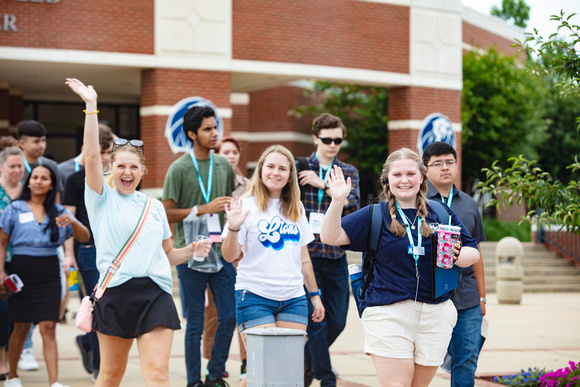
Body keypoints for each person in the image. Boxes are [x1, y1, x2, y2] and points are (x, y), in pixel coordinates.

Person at [66, 77, 212, 387]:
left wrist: (191, 252)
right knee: (110, 376)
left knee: (158, 374)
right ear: (111, 169)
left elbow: (168, 254)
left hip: (155, 295)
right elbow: (91, 155)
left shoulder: (155, 208)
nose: (127, 172)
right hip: (115, 294)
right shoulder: (100, 200)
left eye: (134, 167)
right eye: (121, 166)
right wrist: (91, 107)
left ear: (143, 171)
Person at [320, 148, 480, 387]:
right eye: (397, 175)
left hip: (436, 313)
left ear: (422, 177)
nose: (404, 180)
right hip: (389, 311)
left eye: (410, 173)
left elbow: (473, 251)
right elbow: (330, 236)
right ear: (387, 180)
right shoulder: (374, 214)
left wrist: (458, 255)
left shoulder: (441, 212)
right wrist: (337, 201)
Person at [221, 145, 325, 387]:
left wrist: (315, 295)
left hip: (294, 298)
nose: (275, 173)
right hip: (254, 295)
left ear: (290, 174)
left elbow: (304, 258)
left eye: (282, 168)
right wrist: (234, 228)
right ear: (260, 170)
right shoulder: (245, 205)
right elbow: (229, 256)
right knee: (263, 369)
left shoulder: (296, 207)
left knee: (286, 371)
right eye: (270, 166)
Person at [162, 105, 236, 387]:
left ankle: (215, 375)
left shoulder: (223, 165)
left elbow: (229, 208)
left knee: (228, 316)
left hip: (221, 252)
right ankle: (193, 381)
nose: (214, 133)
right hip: (190, 253)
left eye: (215, 127)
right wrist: (203, 209)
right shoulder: (179, 168)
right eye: (207, 129)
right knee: (194, 323)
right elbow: (166, 212)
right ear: (192, 134)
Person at [0, 162, 91, 387]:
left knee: (49, 327)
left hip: (49, 271)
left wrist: (72, 221)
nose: (39, 181)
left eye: (44, 178)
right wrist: (1, 272)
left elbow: (85, 236)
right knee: (20, 327)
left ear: (52, 185)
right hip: (21, 271)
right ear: (28, 182)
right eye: (35, 178)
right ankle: (12, 377)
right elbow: (2, 243)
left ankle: (54, 382)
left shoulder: (59, 212)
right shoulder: (15, 208)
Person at [296, 113, 360, 386]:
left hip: (335, 254)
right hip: (306, 256)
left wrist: (324, 184)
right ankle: (326, 378)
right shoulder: (299, 166)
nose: (333, 144)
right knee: (317, 324)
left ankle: (303, 359)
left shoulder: (348, 172)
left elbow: (354, 203)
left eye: (338, 139)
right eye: (327, 139)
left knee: (337, 321)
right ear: (315, 138)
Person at [422, 142, 486, 387]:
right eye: (437, 163)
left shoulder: (469, 204)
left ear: (457, 165)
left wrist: (482, 297)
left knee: (467, 358)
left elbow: (477, 250)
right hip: (430, 293)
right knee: (424, 358)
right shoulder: (417, 204)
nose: (444, 167)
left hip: (467, 296)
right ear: (426, 170)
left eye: (449, 162)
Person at [61, 125, 114, 381]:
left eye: (110, 152)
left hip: (113, 252)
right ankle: (98, 366)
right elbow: (69, 219)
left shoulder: (115, 178)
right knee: (95, 306)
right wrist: (69, 255)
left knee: (110, 307)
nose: (106, 157)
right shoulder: (74, 179)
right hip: (89, 251)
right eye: (104, 152)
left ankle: (86, 341)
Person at [16, 120, 66, 372]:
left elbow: (57, 205)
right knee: (21, 303)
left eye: (43, 141)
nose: (41, 146)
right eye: (36, 141)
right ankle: (24, 347)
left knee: (55, 298)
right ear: (22, 143)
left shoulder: (52, 167)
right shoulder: (15, 166)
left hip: (49, 242)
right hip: (20, 244)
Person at [203, 136, 250, 379]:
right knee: (217, 313)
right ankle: (214, 363)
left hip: (242, 255)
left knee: (241, 310)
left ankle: (246, 361)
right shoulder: (211, 183)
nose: (231, 156)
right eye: (226, 152)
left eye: (234, 152)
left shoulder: (249, 185)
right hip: (216, 252)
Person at [0, 143, 24, 381]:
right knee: (4, 310)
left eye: (20, 166)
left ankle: (17, 353)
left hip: (27, 260)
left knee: (25, 312)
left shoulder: (30, 191)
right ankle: (3, 358)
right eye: (12, 166)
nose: (17, 170)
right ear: (2, 168)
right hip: (3, 261)